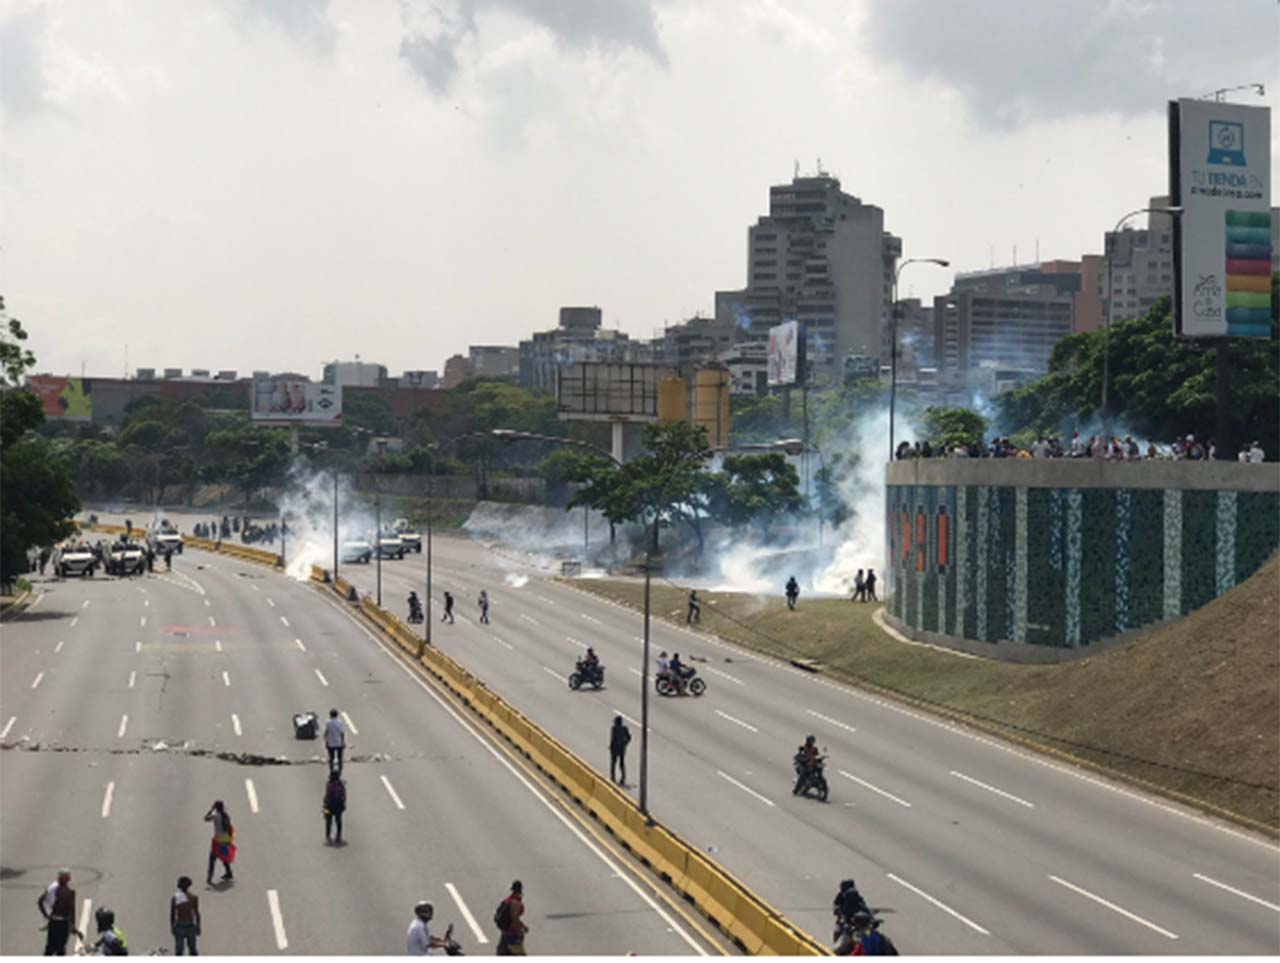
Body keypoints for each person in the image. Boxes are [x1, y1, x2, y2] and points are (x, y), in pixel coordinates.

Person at [37, 868, 79, 956]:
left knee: (49, 948)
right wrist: (73, 927)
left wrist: (46, 916)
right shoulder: (70, 893)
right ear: (68, 879)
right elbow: (71, 910)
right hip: (63, 924)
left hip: (53, 922)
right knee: (61, 949)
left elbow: (40, 901)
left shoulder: (52, 889)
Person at [204, 800, 235, 884]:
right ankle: (229, 873)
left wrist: (211, 809)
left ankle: (209, 877)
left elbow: (206, 818)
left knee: (212, 859)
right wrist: (229, 839)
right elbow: (229, 827)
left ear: (216, 807)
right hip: (225, 838)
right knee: (224, 856)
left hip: (218, 840)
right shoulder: (226, 815)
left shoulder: (215, 815)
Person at [495, 880, 527, 955]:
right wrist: (520, 930)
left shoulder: (508, 899)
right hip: (512, 935)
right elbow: (514, 919)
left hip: (505, 933)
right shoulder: (515, 902)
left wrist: (523, 926)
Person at [170, 876, 201, 956]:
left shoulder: (175, 898)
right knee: (193, 950)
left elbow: (172, 914)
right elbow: (197, 913)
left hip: (179, 925)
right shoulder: (193, 897)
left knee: (179, 951)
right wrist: (198, 926)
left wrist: (172, 926)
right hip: (190, 926)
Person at [323, 769, 347, 844]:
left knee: (328, 822)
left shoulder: (329, 784)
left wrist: (324, 807)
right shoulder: (341, 784)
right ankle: (338, 836)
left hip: (329, 806)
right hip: (338, 806)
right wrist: (343, 804)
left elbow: (327, 796)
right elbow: (344, 795)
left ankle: (328, 837)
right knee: (338, 821)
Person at [609, 715, 631, 786]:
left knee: (614, 763)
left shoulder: (614, 729)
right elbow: (629, 738)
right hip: (621, 749)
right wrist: (625, 743)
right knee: (621, 764)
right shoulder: (624, 729)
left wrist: (611, 747)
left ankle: (613, 777)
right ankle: (622, 778)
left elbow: (613, 739)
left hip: (616, 749)